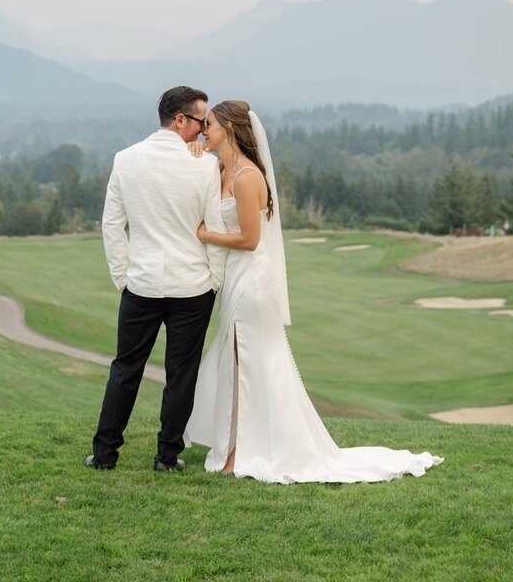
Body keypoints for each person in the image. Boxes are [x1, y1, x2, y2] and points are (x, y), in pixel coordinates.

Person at [184, 100, 443, 483]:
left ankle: (249, 448)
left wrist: (207, 235)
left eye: (211, 124)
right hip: (237, 279)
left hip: (252, 279)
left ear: (231, 130)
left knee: (250, 359)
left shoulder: (246, 177)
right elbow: (196, 164)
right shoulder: (223, 168)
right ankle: (238, 443)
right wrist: (193, 149)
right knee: (239, 359)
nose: (205, 129)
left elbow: (252, 240)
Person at [87, 86, 227, 472]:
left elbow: (113, 225)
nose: (203, 130)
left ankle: (104, 454)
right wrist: (213, 280)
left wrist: (123, 278)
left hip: (141, 285)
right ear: (180, 119)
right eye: (200, 121)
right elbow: (212, 225)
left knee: (125, 369)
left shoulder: (125, 159)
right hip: (193, 286)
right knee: (181, 376)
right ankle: (167, 457)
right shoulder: (204, 166)